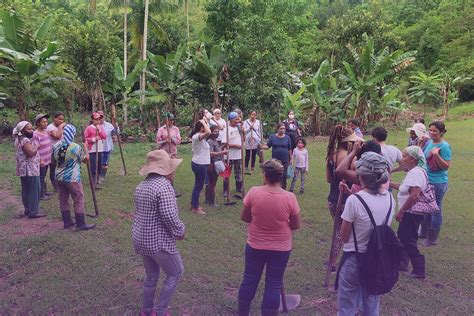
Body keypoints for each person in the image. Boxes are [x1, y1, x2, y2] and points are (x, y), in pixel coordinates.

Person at [238, 159, 301, 316]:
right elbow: (295, 225)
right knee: (274, 283)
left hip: (255, 245)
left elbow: (245, 217)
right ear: (281, 177)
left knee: (249, 279)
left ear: (265, 175)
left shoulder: (254, 192)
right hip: (280, 248)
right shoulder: (290, 198)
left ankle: (242, 312)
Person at [338, 152, 394, 316]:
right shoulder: (390, 198)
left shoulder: (354, 201)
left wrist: (351, 196)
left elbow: (344, 236)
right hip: (377, 258)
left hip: (354, 259)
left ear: (361, 176)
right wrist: (351, 193)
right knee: (371, 304)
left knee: (347, 305)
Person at [133, 150, 186, 316]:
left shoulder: (142, 186)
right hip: (157, 241)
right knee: (176, 272)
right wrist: (180, 230)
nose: (174, 171)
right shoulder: (164, 186)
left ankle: (147, 310)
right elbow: (169, 215)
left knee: (151, 276)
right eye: (172, 168)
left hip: (141, 238)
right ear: (165, 170)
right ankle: (160, 311)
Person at [325, 125, 361, 272]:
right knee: (343, 232)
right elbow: (359, 179)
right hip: (347, 200)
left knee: (339, 230)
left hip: (332, 200)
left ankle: (333, 261)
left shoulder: (331, 156)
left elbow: (328, 179)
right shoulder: (351, 159)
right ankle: (334, 262)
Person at [391, 146, 428, 279]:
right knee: (404, 236)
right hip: (410, 212)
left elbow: (414, 196)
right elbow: (405, 189)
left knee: (408, 239)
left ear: (413, 159)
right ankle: (402, 262)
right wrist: (390, 184)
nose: (402, 159)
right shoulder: (413, 171)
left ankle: (419, 269)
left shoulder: (416, 173)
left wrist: (401, 211)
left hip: (411, 213)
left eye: (405, 156)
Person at [53, 124, 95, 230]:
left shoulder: (56, 145)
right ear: (72, 134)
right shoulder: (75, 147)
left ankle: (67, 222)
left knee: (63, 199)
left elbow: (53, 161)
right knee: (78, 198)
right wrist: (85, 148)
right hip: (72, 178)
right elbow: (86, 160)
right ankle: (80, 223)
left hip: (59, 177)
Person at [420, 121, 451, 246]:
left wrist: (436, 155)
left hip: (438, 182)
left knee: (435, 209)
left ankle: (432, 239)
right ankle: (423, 233)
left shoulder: (444, 146)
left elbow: (446, 166)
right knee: (426, 207)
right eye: (430, 130)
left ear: (442, 132)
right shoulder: (429, 142)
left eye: (435, 131)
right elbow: (423, 157)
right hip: (427, 180)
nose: (432, 133)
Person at [13, 121, 46, 219]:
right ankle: (33, 212)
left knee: (26, 189)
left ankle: (28, 209)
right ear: (22, 130)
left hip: (24, 169)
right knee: (34, 190)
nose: (31, 130)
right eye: (29, 129)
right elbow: (31, 153)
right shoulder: (25, 140)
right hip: (30, 169)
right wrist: (37, 146)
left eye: (32, 128)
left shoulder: (18, 139)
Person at [156, 112, 182, 197]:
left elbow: (179, 141)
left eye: (172, 120)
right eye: (169, 120)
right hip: (163, 153)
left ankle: (171, 188)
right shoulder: (161, 129)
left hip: (173, 153)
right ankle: (163, 189)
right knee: (163, 171)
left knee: (171, 172)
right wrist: (165, 141)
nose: (171, 122)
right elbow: (157, 143)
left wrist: (172, 138)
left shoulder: (176, 129)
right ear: (166, 120)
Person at [190, 118, 211, 214]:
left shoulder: (200, 137)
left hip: (200, 164)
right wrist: (202, 121)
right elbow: (209, 132)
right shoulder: (197, 136)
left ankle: (194, 204)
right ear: (201, 127)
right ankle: (195, 208)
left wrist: (206, 121)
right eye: (204, 125)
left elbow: (209, 131)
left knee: (197, 185)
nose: (206, 126)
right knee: (199, 186)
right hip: (199, 164)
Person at [263, 122, 292, 190]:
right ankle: (275, 187)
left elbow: (290, 149)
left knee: (284, 175)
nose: (282, 130)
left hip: (285, 159)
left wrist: (291, 159)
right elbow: (268, 146)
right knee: (275, 173)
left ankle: (283, 188)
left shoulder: (287, 138)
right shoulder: (272, 137)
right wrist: (261, 146)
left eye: (284, 129)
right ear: (277, 129)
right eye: (281, 128)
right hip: (275, 160)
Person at [205, 125, 228, 207]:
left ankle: (207, 199)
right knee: (212, 183)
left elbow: (216, 149)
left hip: (215, 163)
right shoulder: (210, 141)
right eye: (215, 131)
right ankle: (211, 201)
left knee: (211, 183)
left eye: (218, 131)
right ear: (211, 132)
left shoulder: (214, 141)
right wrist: (222, 153)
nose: (217, 133)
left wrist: (223, 146)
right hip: (212, 164)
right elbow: (210, 154)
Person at [222, 112, 244, 196]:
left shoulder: (239, 128)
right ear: (231, 120)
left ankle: (239, 188)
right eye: (236, 119)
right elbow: (224, 143)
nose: (238, 120)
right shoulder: (226, 129)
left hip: (238, 155)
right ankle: (226, 190)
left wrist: (243, 132)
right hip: (229, 155)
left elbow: (243, 140)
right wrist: (235, 145)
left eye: (239, 119)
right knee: (227, 172)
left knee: (238, 172)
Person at [33, 114, 53, 200]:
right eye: (43, 122)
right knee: (40, 177)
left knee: (44, 176)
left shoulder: (46, 131)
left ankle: (44, 191)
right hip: (41, 160)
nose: (45, 123)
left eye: (46, 121)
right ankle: (41, 194)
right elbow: (35, 149)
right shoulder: (35, 134)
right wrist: (40, 160)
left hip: (47, 158)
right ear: (38, 123)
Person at [84, 112, 107, 187]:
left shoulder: (100, 127)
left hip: (100, 149)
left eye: (99, 119)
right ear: (92, 120)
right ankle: (93, 180)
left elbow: (104, 136)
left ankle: (97, 179)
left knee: (99, 165)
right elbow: (85, 138)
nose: (97, 121)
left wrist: (99, 131)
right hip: (92, 150)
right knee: (93, 166)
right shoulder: (89, 128)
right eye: (96, 119)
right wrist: (93, 139)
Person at [47, 111, 66, 191]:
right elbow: (57, 136)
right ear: (54, 119)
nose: (61, 121)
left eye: (63, 120)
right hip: (52, 152)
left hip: (60, 151)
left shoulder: (61, 127)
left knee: (60, 168)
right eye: (59, 119)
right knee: (53, 168)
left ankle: (60, 184)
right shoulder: (50, 127)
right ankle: (56, 186)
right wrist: (61, 127)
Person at [97, 111, 117, 184]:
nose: (100, 119)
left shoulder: (109, 126)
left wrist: (115, 134)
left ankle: (102, 176)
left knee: (104, 164)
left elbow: (114, 134)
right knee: (98, 163)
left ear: (104, 117)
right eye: (98, 117)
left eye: (101, 117)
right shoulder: (93, 126)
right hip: (97, 148)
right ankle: (96, 176)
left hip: (107, 147)